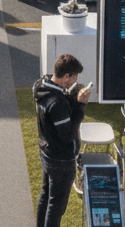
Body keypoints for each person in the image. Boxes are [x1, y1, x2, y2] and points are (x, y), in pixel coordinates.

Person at [33, 54, 93, 227]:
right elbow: (67, 135)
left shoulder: (42, 86)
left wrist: (72, 98)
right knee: (56, 205)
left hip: (46, 152)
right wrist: (80, 105)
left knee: (46, 194)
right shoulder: (57, 103)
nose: (74, 81)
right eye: (74, 77)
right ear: (67, 76)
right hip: (60, 160)